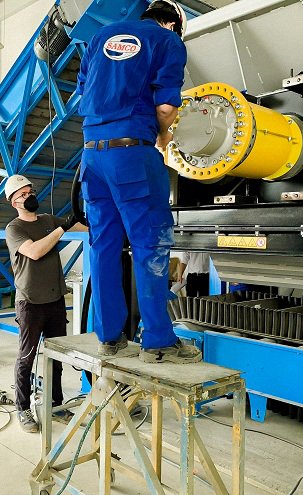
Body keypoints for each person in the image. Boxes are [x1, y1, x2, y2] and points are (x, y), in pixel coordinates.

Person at [77, 0, 200, 364]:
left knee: (103, 246)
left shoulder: (99, 37)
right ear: (173, 23)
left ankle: (109, 337)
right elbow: (166, 107)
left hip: (91, 154)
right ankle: (159, 340)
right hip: (132, 153)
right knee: (151, 244)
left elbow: (83, 92)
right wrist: (163, 137)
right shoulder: (167, 41)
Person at [4, 174, 84, 432]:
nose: (29, 197)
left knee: (56, 355)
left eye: (30, 192)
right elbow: (35, 251)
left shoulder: (48, 220)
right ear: (14, 201)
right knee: (27, 357)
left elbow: (80, 227)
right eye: (23, 194)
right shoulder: (14, 229)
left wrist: (95, 220)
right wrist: (63, 228)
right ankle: (23, 409)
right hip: (30, 301)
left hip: (55, 298)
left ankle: (55, 404)